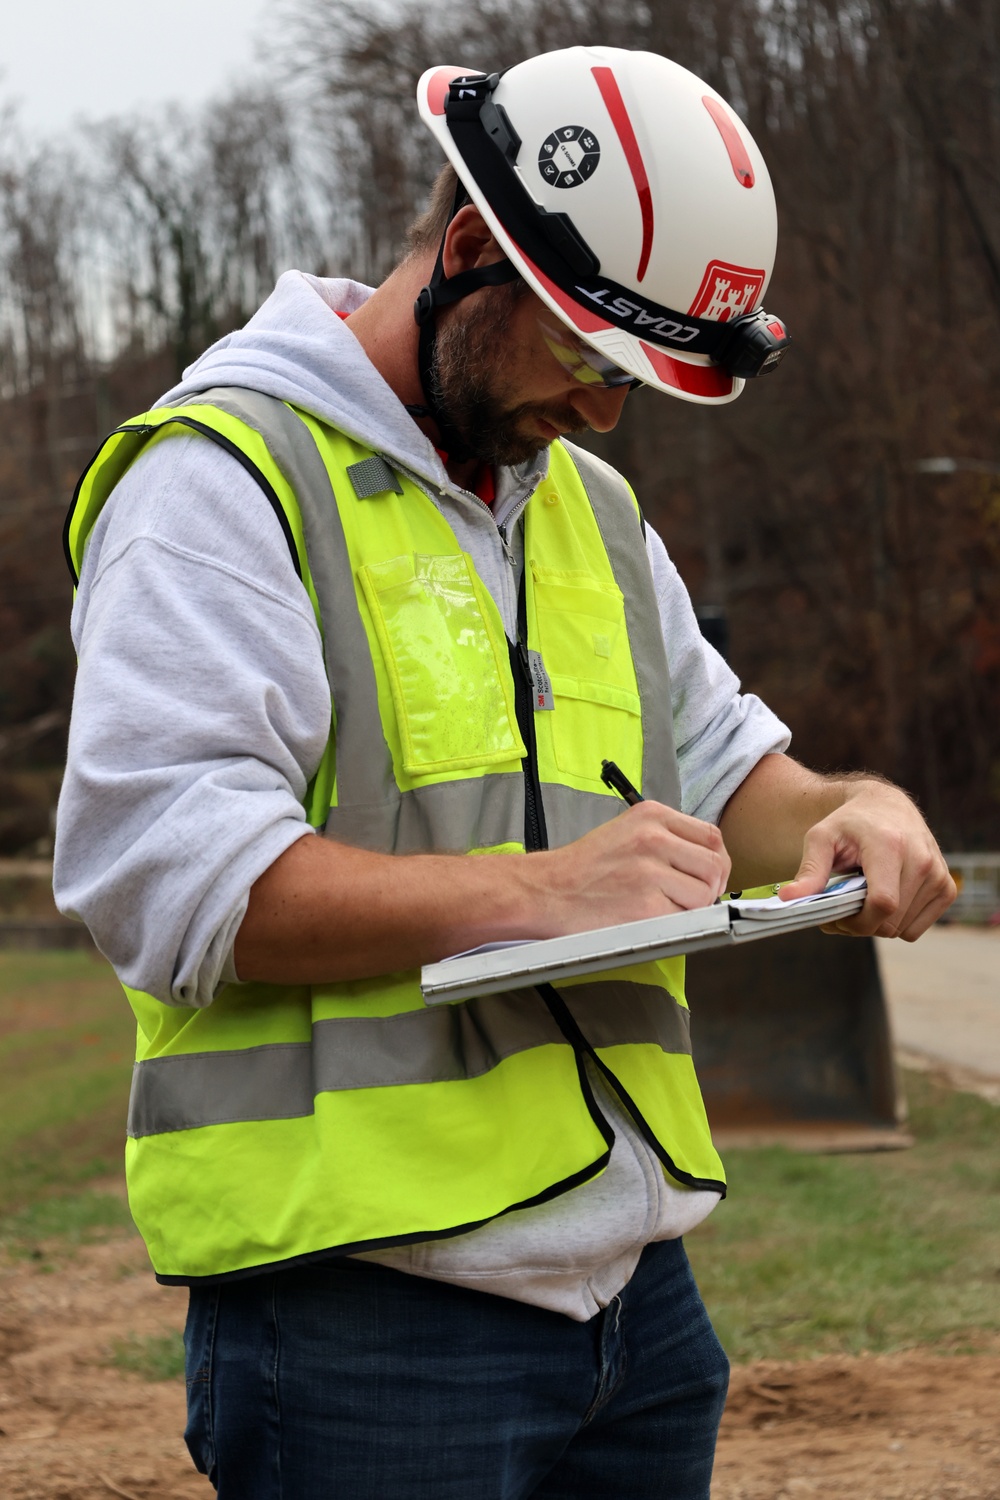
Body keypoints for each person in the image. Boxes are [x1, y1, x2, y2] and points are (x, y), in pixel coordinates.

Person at [54, 46, 955, 1500]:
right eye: (589, 359)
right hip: (368, 1320)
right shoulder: (221, 480)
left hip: (635, 1305)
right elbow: (164, 874)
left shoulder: (586, 508)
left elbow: (742, 771)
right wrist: (537, 894)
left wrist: (853, 809)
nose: (603, 412)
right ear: (471, 249)